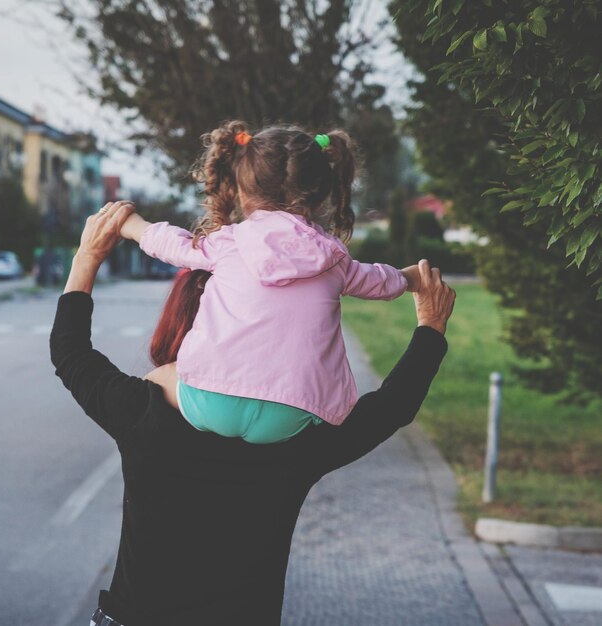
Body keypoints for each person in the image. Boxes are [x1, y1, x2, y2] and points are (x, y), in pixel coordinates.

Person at [51, 201, 455, 626]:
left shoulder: (140, 413)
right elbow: (392, 407)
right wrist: (431, 325)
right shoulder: (299, 438)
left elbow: (70, 353)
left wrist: (88, 257)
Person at [118, 122, 422, 443]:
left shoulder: (228, 242)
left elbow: (174, 244)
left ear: (242, 189)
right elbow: (379, 281)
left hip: (209, 400)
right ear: (321, 197)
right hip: (293, 413)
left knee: (160, 377)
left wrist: (132, 225)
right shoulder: (335, 259)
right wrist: (408, 278)